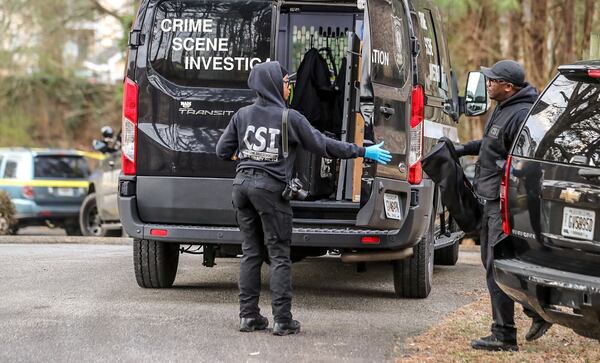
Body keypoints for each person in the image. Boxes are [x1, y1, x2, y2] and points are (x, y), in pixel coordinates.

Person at [215, 61, 391, 336]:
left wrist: (248, 157)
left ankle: (248, 317)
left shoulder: (242, 115)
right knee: (279, 254)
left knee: (251, 252)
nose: (289, 88)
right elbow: (323, 145)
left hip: (242, 188)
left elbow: (222, 151)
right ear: (275, 85)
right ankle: (283, 321)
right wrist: (363, 151)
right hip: (269, 191)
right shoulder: (290, 118)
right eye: (286, 83)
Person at [455, 60, 552, 351]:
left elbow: (521, 161)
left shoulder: (522, 114)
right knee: (493, 262)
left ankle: (504, 334)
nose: (488, 84)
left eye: (493, 80)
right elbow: (491, 145)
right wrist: (461, 148)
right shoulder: (504, 108)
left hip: (504, 203)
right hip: (490, 199)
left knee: (496, 264)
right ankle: (535, 312)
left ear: (508, 87)